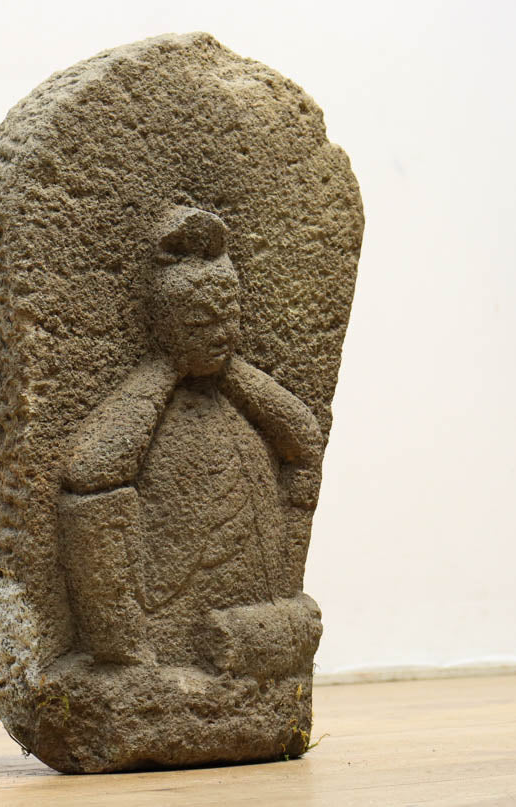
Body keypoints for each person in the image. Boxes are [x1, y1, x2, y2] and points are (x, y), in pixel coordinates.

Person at [58, 207, 323, 668]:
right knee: (90, 504)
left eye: (229, 317)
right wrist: (166, 369)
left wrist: (233, 374)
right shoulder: (148, 400)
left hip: (256, 595)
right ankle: (128, 652)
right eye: (200, 323)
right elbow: (89, 470)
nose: (220, 335)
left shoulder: (239, 394)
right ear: (163, 323)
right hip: (171, 601)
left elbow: (304, 439)